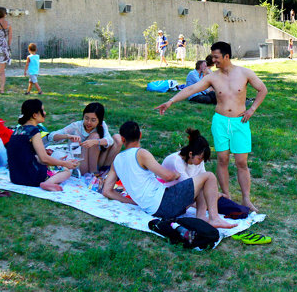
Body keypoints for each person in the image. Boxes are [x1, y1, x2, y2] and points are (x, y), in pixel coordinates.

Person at [155, 41, 267, 213]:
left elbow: (262, 89)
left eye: (216, 57)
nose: (213, 60)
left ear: (226, 56)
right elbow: (190, 89)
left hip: (240, 122)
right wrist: (171, 101)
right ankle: (227, 195)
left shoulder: (244, 73)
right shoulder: (213, 77)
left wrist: (252, 109)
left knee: (241, 162)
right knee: (222, 159)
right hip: (220, 121)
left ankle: (246, 199)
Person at [101, 120, 235, 228]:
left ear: (123, 139)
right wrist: (175, 175)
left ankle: (201, 217)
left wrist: (132, 201)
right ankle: (214, 217)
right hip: (164, 202)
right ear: (140, 135)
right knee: (209, 176)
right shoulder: (141, 153)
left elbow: (107, 191)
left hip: (153, 209)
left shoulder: (116, 160)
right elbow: (167, 176)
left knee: (200, 182)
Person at [7, 99, 77, 191]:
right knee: (65, 171)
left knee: (54, 163)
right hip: (32, 177)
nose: (45, 113)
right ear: (35, 115)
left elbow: (26, 154)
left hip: (15, 177)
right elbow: (44, 158)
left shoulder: (17, 130)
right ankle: (48, 183)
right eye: (42, 110)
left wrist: (54, 161)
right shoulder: (34, 131)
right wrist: (65, 163)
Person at [49, 102, 123, 174]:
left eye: (93, 120)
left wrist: (95, 142)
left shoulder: (102, 125)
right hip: (80, 162)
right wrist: (67, 136)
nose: (89, 122)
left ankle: (104, 171)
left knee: (117, 138)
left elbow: (110, 140)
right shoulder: (76, 126)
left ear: (100, 120)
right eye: (86, 118)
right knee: (94, 136)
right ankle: (94, 173)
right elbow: (51, 136)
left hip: (96, 160)